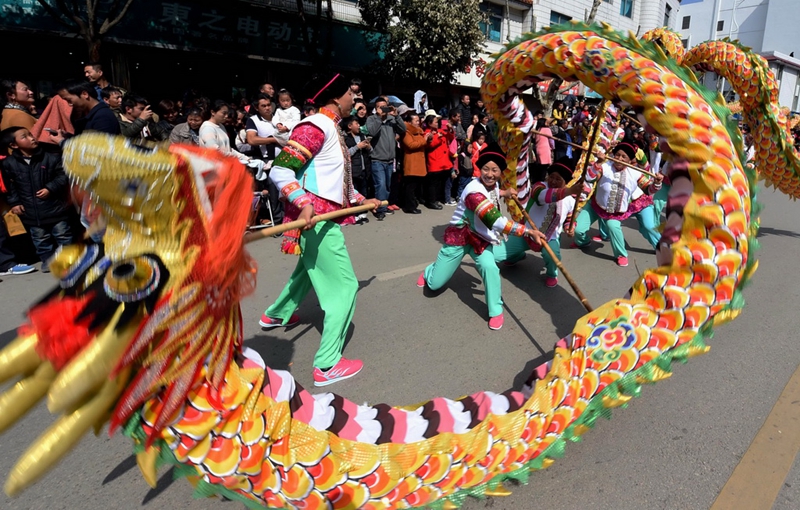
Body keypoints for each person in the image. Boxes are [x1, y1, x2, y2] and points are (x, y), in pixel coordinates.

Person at [259, 76, 381, 387]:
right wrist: (301, 202)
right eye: (351, 95)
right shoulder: (314, 125)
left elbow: (334, 178)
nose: (355, 100)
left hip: (322, 214)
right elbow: (281, 169)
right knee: (345, 286)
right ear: (336, 97)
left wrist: (360, 199)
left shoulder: (331, 126)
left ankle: (275, 314)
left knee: (306, 270)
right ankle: (327, 364)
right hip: (316, 219)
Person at [417, 143, 546, 330]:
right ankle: (431, 270)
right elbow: (495, 220)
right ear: (479, 169)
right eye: (486, 169)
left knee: (490, 267)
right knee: (435, 285)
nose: (490, 174)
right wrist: (528, 231)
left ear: (501, 172)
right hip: (459, 238)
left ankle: (495, 310)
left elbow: (493, 192)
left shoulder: (492, 185)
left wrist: (505, 193)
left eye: (495, 170)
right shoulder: (473, 192)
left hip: (480, 239)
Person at [570, 142, 663, 267]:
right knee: (577, 229)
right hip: (596, 206)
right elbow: (589, 178)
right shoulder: (604, 166)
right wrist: (597, 162)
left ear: (630, 160)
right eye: (617, 155)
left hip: (615, 213)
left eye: (624, 157)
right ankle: (583, 242)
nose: (619, 159)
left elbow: (649, 190)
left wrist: (656, 183)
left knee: (613, 226)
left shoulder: (635, 173)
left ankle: (621, 255)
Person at [0, 127, 73, 272]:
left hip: (55, 207)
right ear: (13, 145)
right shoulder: (9, 164)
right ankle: (48, 259)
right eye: (24, 137)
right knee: (40, 239)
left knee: (63, 234)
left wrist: (50, 188)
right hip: (31, 212)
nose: (32, 138)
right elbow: (10, 187)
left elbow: (63, 176)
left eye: (31, 134)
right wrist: (15, 203)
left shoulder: (50, 157)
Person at [502, 158, 583, 286]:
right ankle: (517, 255)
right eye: (551, 177)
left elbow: (570, 218)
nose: (553, 181)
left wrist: (570, 227)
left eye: (558, 179)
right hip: (527, 232)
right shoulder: (539, 186)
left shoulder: (571, 201)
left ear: (566, 182)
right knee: (498, 255)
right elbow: (542, 196)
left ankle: (551, 274)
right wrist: (569, 191)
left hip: (549, 238)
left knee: (553, 257)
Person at [366, 96, 406, 220]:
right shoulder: (371, 119)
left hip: (390, 159)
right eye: (380, 107)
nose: (383, 109)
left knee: (387, 185)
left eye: (385, 106)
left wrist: (396, 116)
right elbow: (372, 132)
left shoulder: (391, 119)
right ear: (376, 108)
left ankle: (383, 204)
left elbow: (403, 130)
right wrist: (379, 118)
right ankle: (380, 209)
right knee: (381, 185)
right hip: (377, 159)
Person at [52, 80, 120, 137]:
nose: (69, 104)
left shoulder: (103, 116)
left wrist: (64, 143)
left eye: (69, 100)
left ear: (85, 94)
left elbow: (99, 148)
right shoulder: (89, 115)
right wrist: (68, 137)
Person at [343, 116, 372, 224]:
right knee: (353, 194)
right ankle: (355, 215)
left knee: (363, 191)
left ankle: (362, 214)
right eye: (356, 124)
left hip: (364, 169)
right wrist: (357, 146)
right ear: (350, 126)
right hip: (353, 171)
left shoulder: (362, 135)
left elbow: (371, 152)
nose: (359, 126)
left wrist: (368, 147)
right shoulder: (346, 138)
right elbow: (346, 154)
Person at [423, 112, 454, 209]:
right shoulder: (427, 133)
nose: (437, 123)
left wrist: (450, 130)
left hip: (443, 161)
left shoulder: (439, 131)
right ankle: (431, 201)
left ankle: (438, 199)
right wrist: (439, 138)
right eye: (435, 122)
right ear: (429, 123)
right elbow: (430, 145)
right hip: (434, 161)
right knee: (433, 184)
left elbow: (451, 137)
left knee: (440, 183)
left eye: (437, 122)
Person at [400, 112, 427, 214]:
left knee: (414, 186)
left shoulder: (419, 131)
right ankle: (409, 207)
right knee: (410, 187)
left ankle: (412, 204)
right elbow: (410, 145)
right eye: (416, 121)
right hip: (412, 162)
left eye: (418, 120)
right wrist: (424, 141)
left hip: (419, 162)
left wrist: (427, 140)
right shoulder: (406, 132)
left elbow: (422, 144)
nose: (418, 122)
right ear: (409, 122)